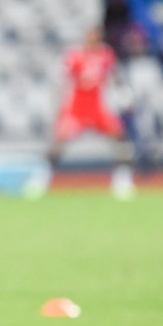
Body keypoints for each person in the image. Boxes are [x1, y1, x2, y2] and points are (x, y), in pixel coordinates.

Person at [39, 26, 135, 198]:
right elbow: (59, 80)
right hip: (77, 107)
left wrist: (122, 93)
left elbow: (115, 76)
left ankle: (122, 179)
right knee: (57, 143)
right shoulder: (74, 55)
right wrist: (58, 106)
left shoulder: (106, 54)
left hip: (98, 105)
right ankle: (43, 178)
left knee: (120, 137)